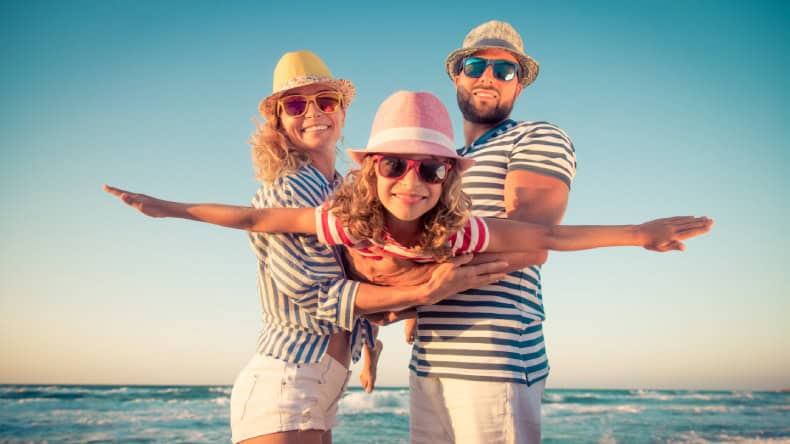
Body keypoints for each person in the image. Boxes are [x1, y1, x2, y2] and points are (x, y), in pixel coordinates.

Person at [107, 51, 509, 444]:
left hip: (323, 386)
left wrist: (373, 344)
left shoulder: (344, 192)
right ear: (278, 122)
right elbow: (321, 295)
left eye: (326, 101)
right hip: (287, 380)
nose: (313, 112)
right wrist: (424, 292)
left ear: (342, 113)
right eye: (296, 105)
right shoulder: (284, 192)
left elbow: (368, 271)